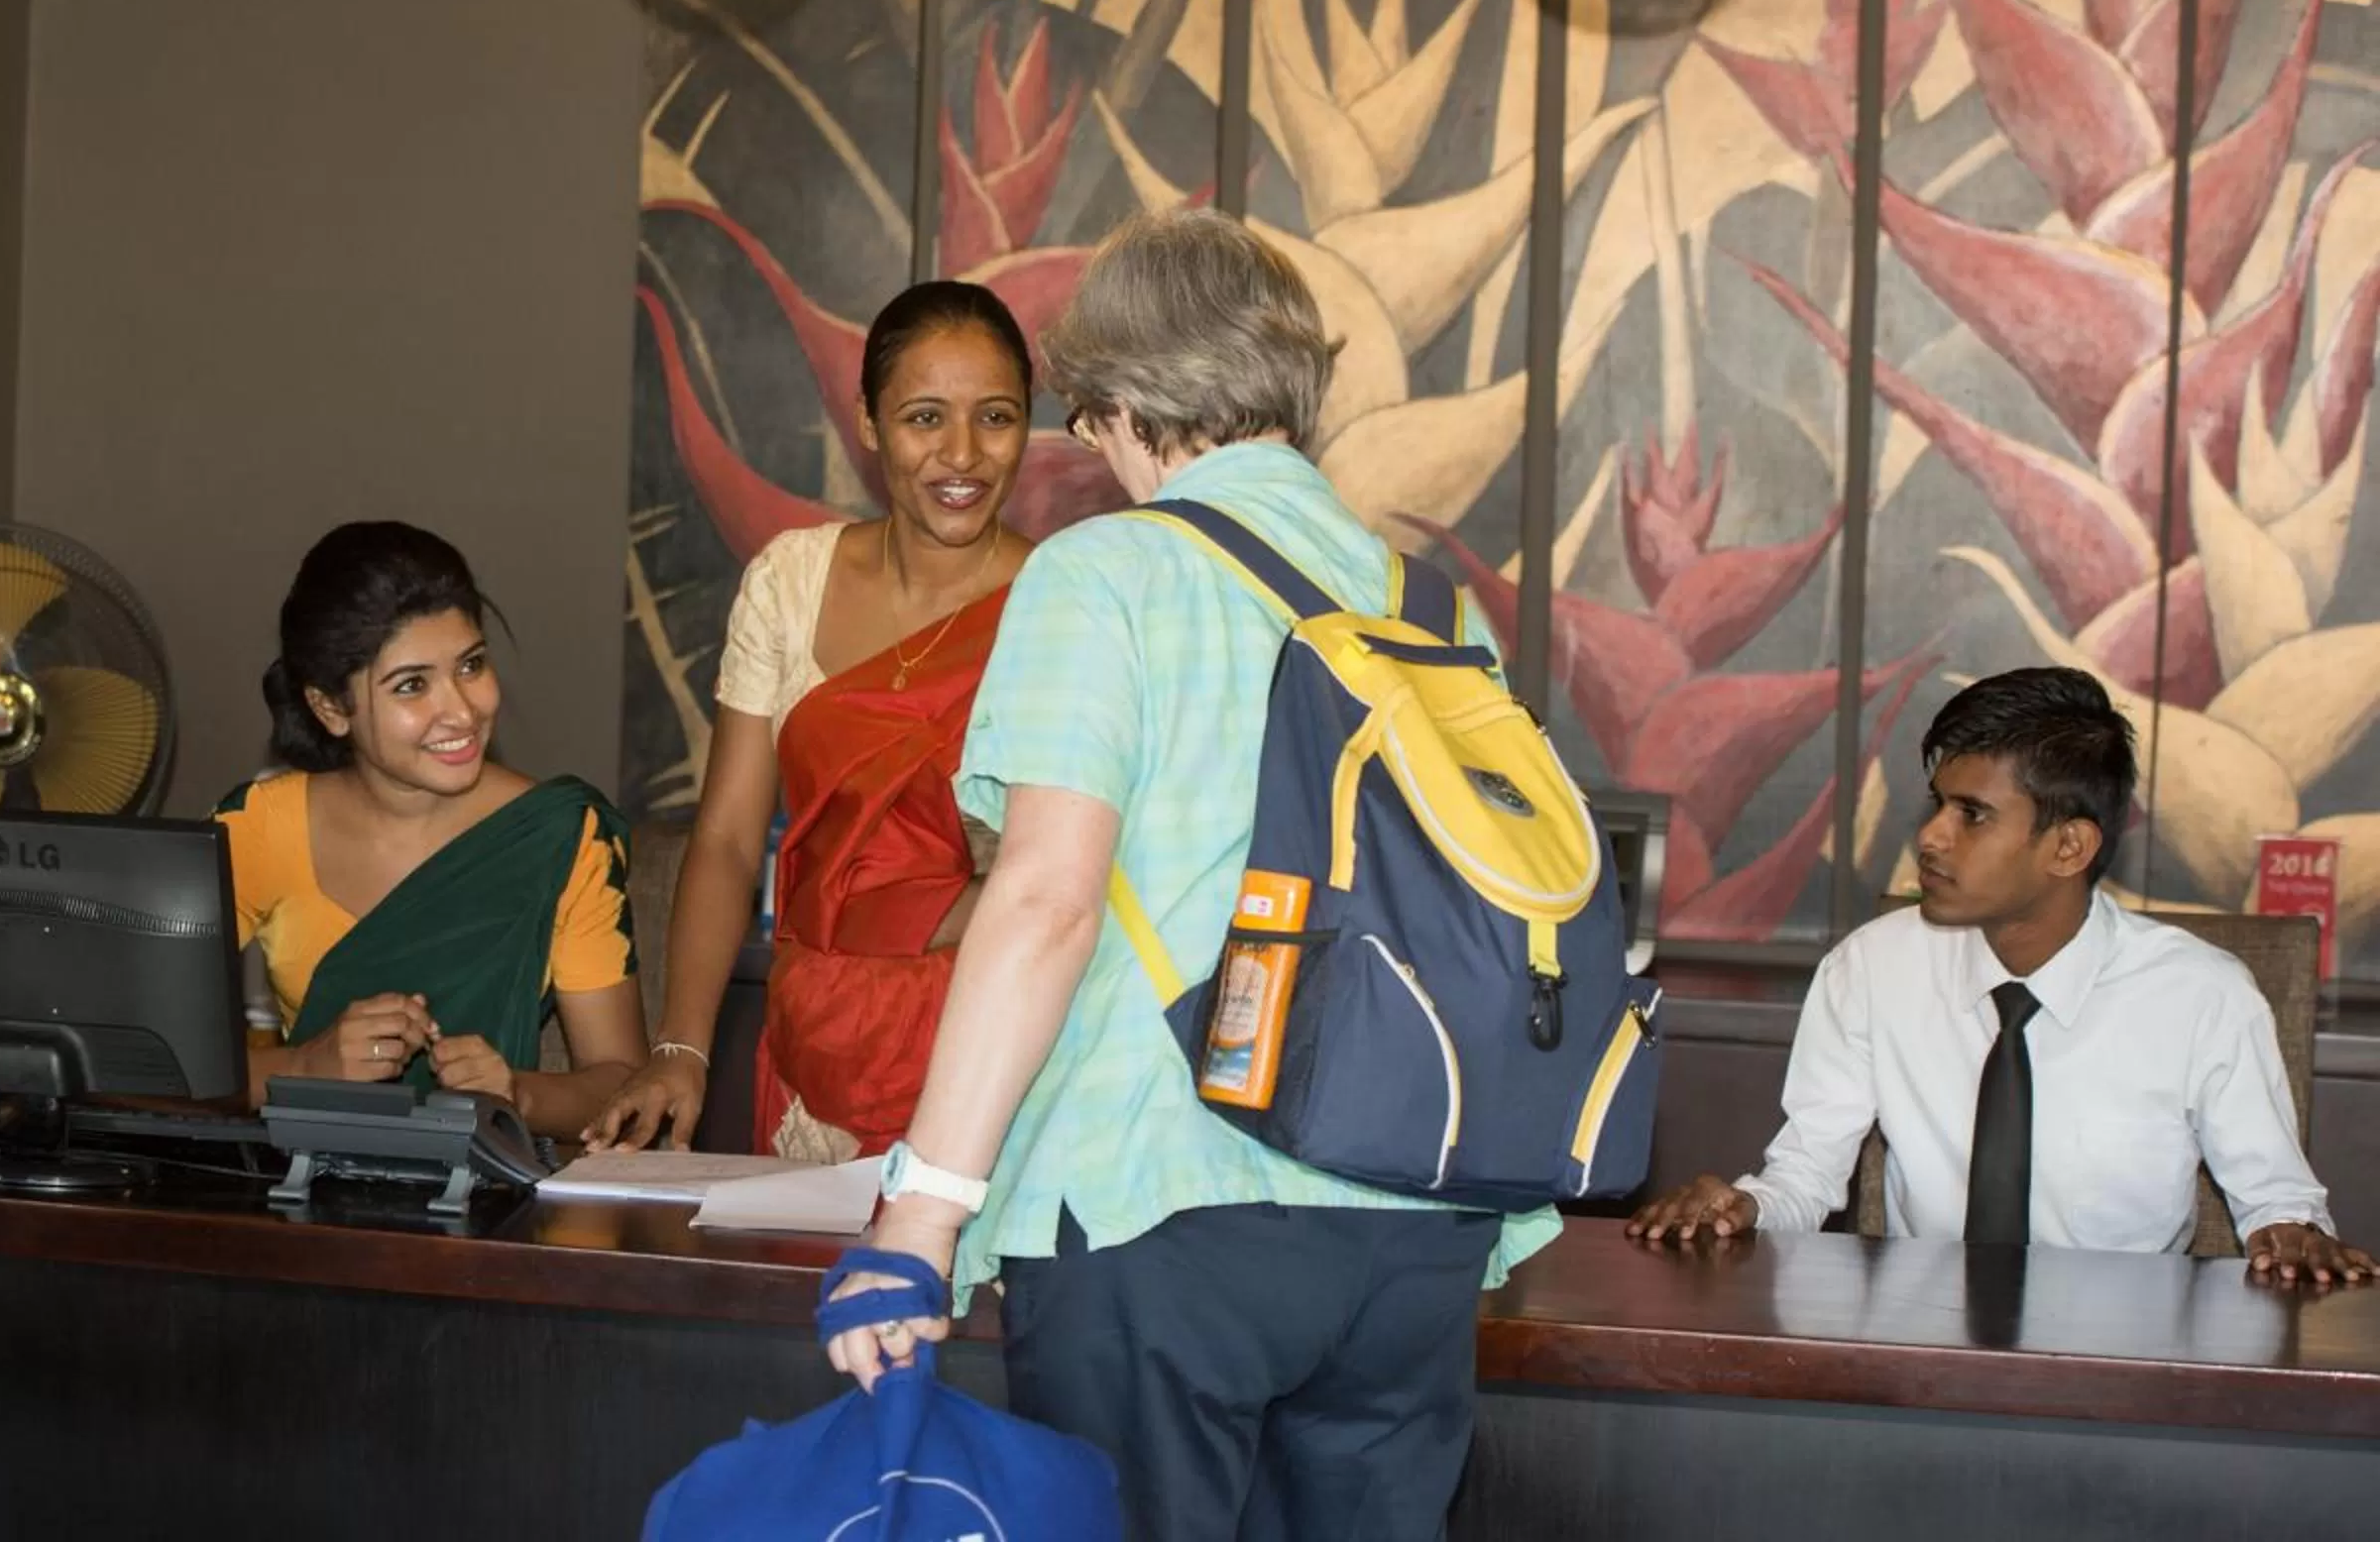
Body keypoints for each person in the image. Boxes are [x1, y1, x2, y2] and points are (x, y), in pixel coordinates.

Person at [818, 210, 1563, 1542]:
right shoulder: (1430, 607)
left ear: (1114, 403)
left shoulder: (1105, 575)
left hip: (1163, 1200)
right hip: (1420, 1214)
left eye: (1085, 416)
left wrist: (922, 1213)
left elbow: (1043, 898)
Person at [1627, 666, 2374, 1286]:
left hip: (2122, 1368)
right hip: (1914, 1358)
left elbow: (2277, 1200)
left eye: (1972, 815)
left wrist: (2291, 1234)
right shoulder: (1871, 968)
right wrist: (1744, 1206)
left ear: (2069, 846)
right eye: (1937, 805)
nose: (1930, 835)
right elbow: (1807, 1174)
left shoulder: (2203, 995)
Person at [587, 280, 1036, 1160]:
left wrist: (940, 911)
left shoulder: (1064, 603)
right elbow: (722, 839)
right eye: (923, 419)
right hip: (815, 1045)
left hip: (994, 1051)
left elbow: (1082, 871)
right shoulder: (790, 581)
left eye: (995, 417)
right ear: (868, 424)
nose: (962, 456)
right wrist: (679, 1050)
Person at [218, 521, 646, 1136]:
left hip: (489, 1205)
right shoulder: (259, 827)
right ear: (330, 708)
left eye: (471, 665)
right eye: (412, 685)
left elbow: (621, 1081)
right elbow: (143, 1071)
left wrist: (516, 1094)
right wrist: (302, 1066)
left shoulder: (558, 836)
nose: (464, 710)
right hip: (301, 1188)